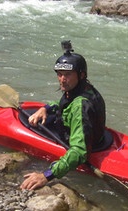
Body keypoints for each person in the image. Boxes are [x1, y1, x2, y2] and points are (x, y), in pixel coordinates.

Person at [20, 41, 106, 190]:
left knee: (28, 124)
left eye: (67, 74)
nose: (62, 79)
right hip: (97, 137)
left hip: (80, 142)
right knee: (38, 116)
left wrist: (46, 175)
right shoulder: (86, 88)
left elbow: (79, 152)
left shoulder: (80, 106)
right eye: (59, 74)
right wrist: (45, 108)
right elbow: (66, 103)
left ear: (81, 75)